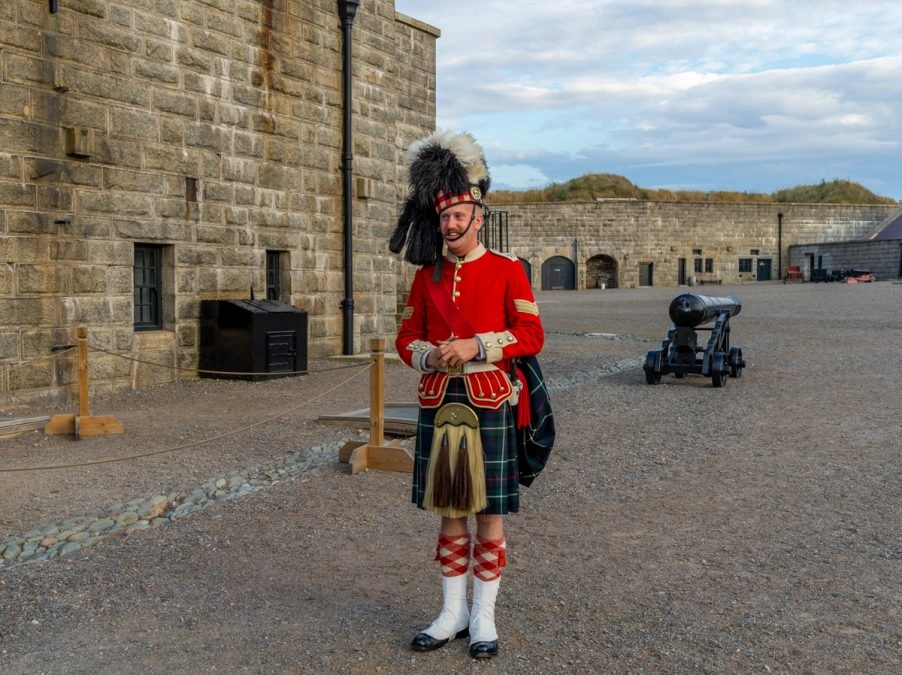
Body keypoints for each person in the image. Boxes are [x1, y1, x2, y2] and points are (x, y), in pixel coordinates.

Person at [390, 130, 545, 659]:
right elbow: (405, 339)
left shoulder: (508, 271)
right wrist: (430, 356)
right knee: (448, 512)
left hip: (489, 401)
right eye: (444, 217)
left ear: (478, 214)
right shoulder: (425, 277)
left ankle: (484, 616)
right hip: (440, 400)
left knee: (489, 515)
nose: (451, 225)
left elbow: (532, 337)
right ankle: (451, 612)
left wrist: (477, 344)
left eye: (459, 216)